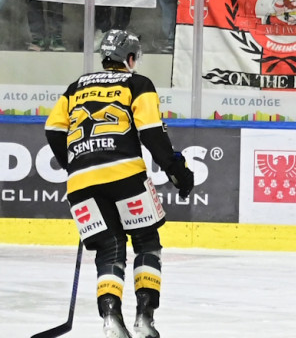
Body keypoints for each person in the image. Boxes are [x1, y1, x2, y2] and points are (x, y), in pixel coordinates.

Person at [45, 30, 195, 338]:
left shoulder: (76, 87)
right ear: (129, 59)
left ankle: (111, 318)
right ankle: (144, 318)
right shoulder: (137, 84)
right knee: (146, 242)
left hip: (80, 183)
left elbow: (53, 130)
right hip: (125, 174)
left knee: (109, 250)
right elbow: (152, 132)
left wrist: (75, 163)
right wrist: (176, 170)